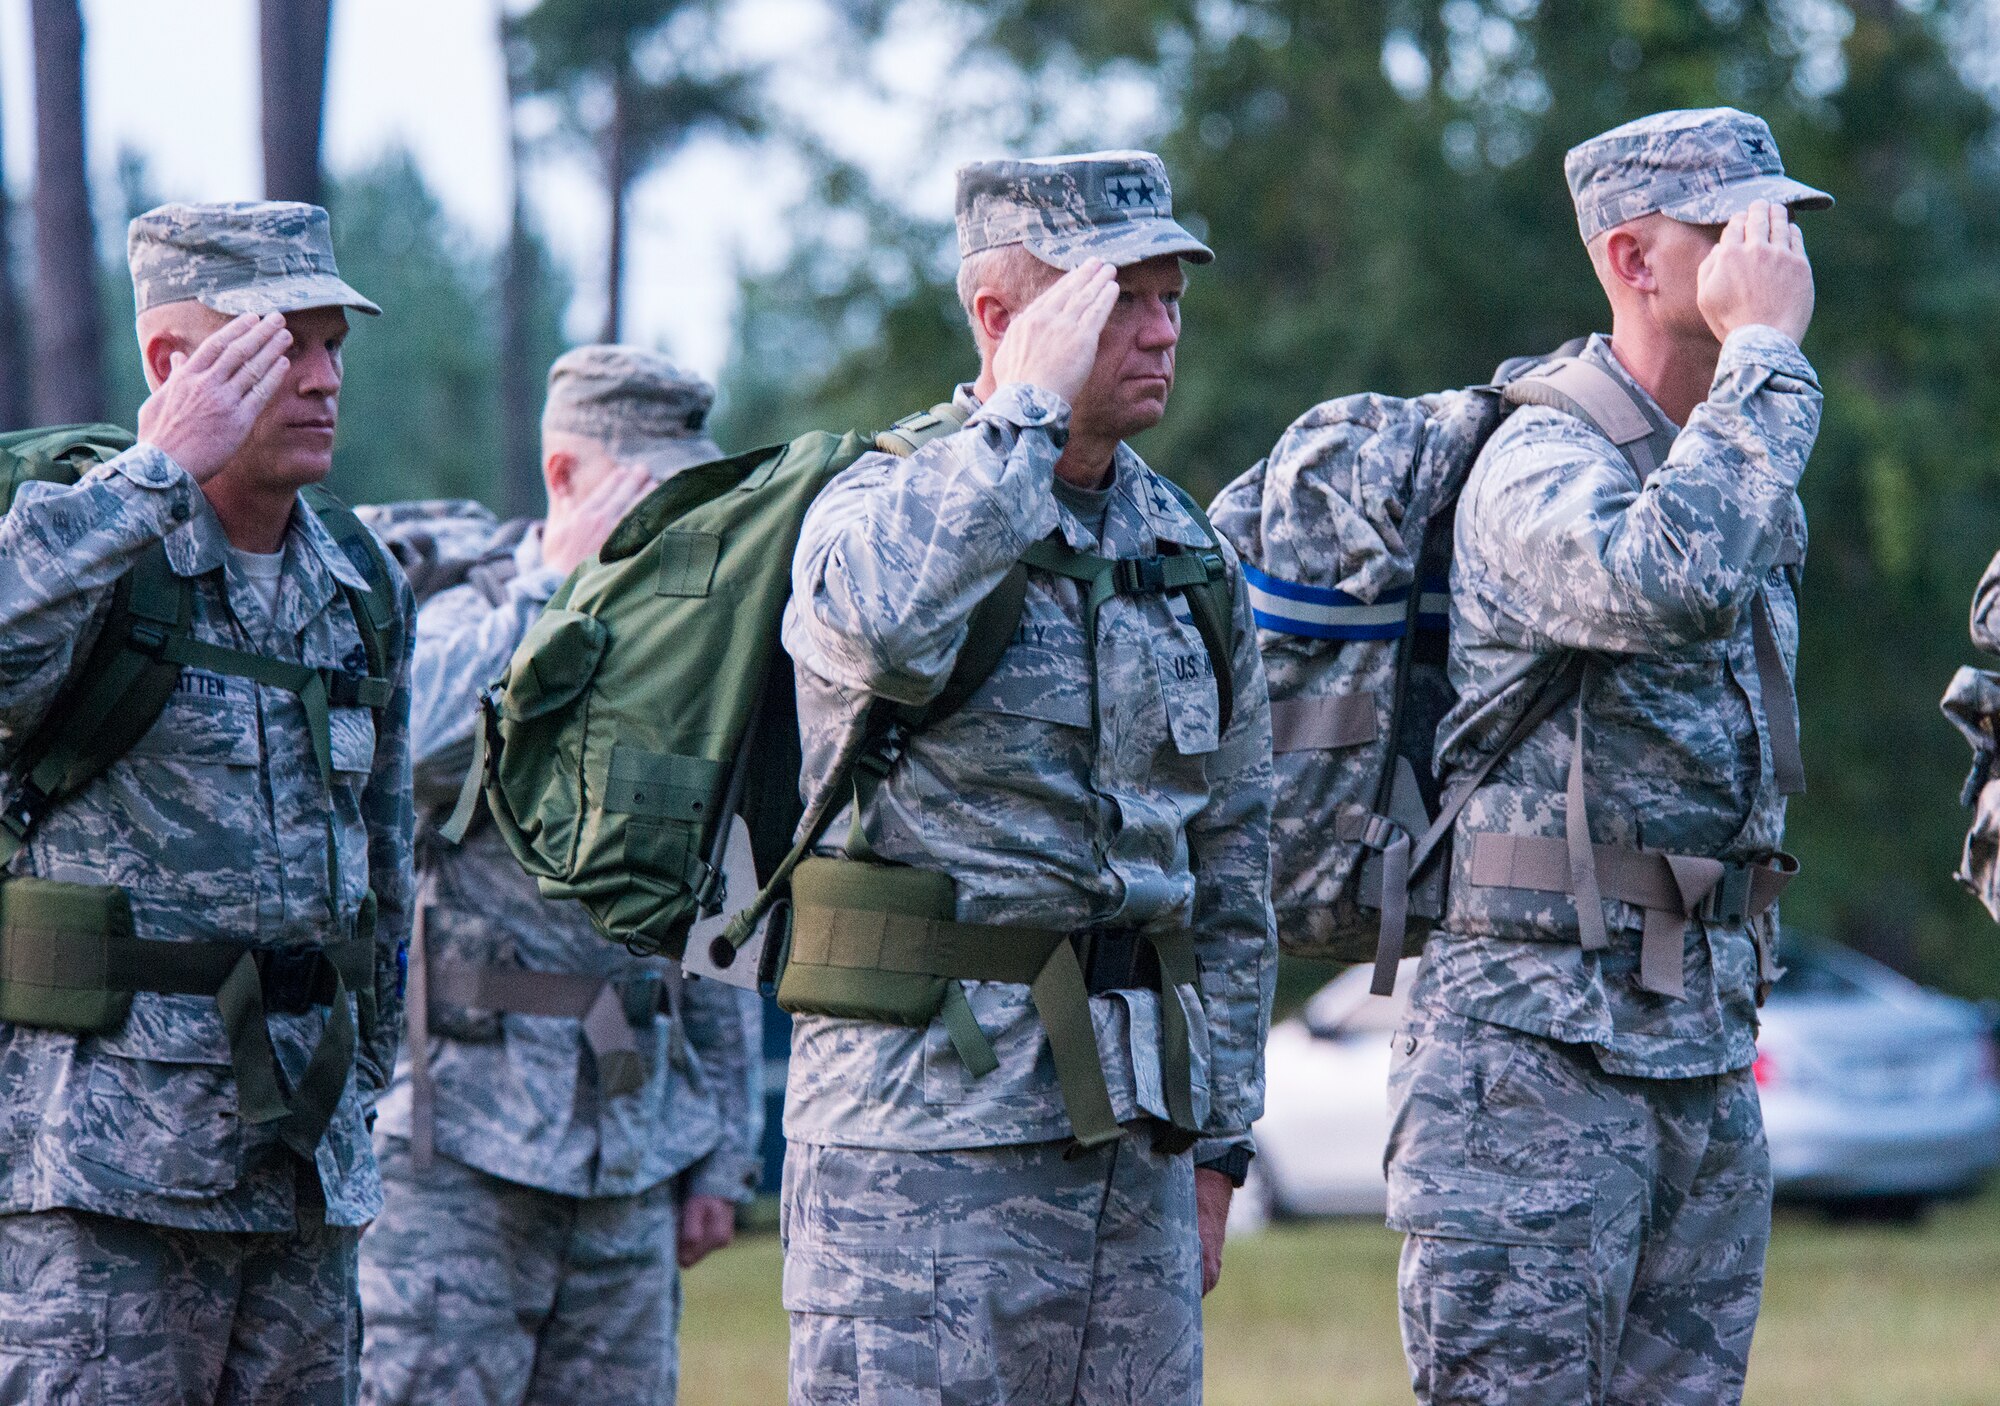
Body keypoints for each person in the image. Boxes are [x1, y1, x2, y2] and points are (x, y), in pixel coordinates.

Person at [779, 151, 1276, 1405]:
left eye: (1171, 298)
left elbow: (1229, 862)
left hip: (1131, 1147)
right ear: (999, 319)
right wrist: (1018, 420)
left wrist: (1218, 1137)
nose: (1161, 329)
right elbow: (886, 626)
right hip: (919, 1146)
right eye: (1117, 300)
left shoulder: (1182, 550)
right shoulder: (876, 502)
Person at [1385, 108, 1828, 1404]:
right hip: (1531, 1061)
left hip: (1696, 1046)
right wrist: (1764, 358)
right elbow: (1667, 581)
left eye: (1783, 220)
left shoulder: (1733, 456)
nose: (1776, 251)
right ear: (1633, 260)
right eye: (1732, 226)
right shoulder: (1542, 458)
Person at [0, 201, 411, 1402]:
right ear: (172, 363)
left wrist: (361, 1087)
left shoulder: (361, 583)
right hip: (105, 1183)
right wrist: (153, 472)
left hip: (305, 1169)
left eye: (334, 344)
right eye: (284, 345)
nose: (324, 378)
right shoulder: (80, 544)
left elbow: (383, 872)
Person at [358, 345, 763, 1406]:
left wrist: (722, 1147)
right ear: (566, 476)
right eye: (646, 491)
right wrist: (551, 587)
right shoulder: (469, 610)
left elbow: (717, 899)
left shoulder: (684, 656)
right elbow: (406, 743)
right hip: (458, 1149)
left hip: (631, 1147)